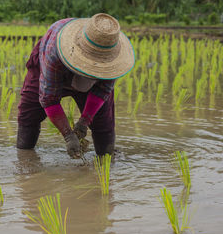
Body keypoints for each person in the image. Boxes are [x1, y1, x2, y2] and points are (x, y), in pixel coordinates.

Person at [16, 13, 135, 158]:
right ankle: (25, 159)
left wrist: (84, 121)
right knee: (29, 112)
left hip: (90, 81)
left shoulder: (114, 60)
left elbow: (103, 90)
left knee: (103, 123)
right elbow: (49, 99)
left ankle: (106, 159)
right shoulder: (55, 51)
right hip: (54, 67)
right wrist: (68, 135)